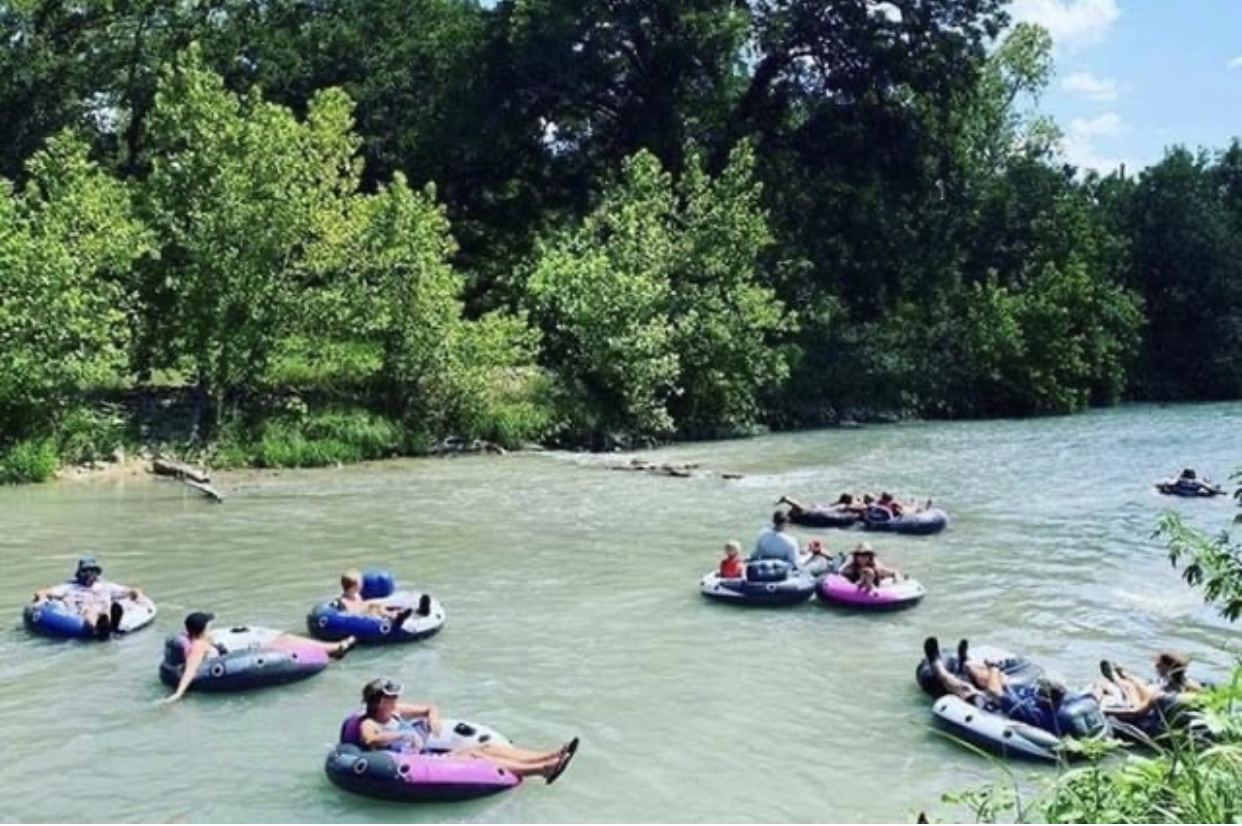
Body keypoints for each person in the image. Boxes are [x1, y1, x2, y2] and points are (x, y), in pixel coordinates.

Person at [354, 678, 580, 784]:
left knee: (487, 746)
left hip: (423, 756)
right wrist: (403, 734)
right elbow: (371, 739)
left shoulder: (396, 711)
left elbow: (429, 707)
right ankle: (541, 769)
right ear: (381, 701)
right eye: (392, 696)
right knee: (475, 754)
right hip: (415, 765)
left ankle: (548, 756)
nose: (397, 698)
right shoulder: (369, 722)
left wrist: (433, 718)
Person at [162, 612, 357, 704]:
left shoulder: (198, 640)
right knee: (287, 641)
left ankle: (332, 651)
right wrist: (178, 694)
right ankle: (336, 647)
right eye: (208, 624)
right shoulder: (199, 646)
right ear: (203, 628)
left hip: (232, 658)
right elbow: (191, 669)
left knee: (286, 641)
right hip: (233, 665)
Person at [923, 637, 1067, 733]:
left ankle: (938, 667)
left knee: (967, 690)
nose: (1037, 691)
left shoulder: (1030, 714)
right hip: (1012, 696)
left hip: (997, 709)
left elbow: (994, 692)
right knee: (1002, 678)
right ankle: (966, 663)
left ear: (1047, 699)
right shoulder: (1054, 708)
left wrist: (993, 668)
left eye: (1041, 692)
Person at [31, 556, 145, 640]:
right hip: (84, 612)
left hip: (104, 610)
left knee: (109, 609)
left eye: (92, 571)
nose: (88, 574)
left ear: (96, 573)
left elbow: (133, 590)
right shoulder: (69, 587)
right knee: (90, 611)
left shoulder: (107, 586)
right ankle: (100, 630)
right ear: (79, 573)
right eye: (85, 571)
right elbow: (42, 592)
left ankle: (112, 627)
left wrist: (139, 597)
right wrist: (42, 599)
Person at [1093, 651, 1203, 720]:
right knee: (1143, 685)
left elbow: (1136, 713)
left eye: (1158, 665)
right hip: (1164, 710)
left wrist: (1103, 710)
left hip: (1150, 717)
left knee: (1129, 687)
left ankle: (1118, 678)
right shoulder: (1194, 686)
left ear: (1167, 668)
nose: (1156, 667)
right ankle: (1125, 675)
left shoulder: (1159, 695)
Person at [337, 569, 427, 628]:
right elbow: (349, 615)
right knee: (376, 609)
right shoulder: (343, 600)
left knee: (378, 607)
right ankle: (396, 617)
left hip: (368, 613)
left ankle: (415, 611)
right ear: (354, 586)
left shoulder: (357, 595)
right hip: (363, 619)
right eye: (361, 582)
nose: (363, 584)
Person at [837, 542, 902, 591]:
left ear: (870, 556)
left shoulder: (877, 569)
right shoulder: (850, 570)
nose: (862, 557)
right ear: (856, 556)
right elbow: (839, 577)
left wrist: (897, 582)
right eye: (859, 554)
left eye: (866, 554)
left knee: (872, 572)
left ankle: (867, 581)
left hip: (873, 579)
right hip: (855, 577)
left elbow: (895, 572)